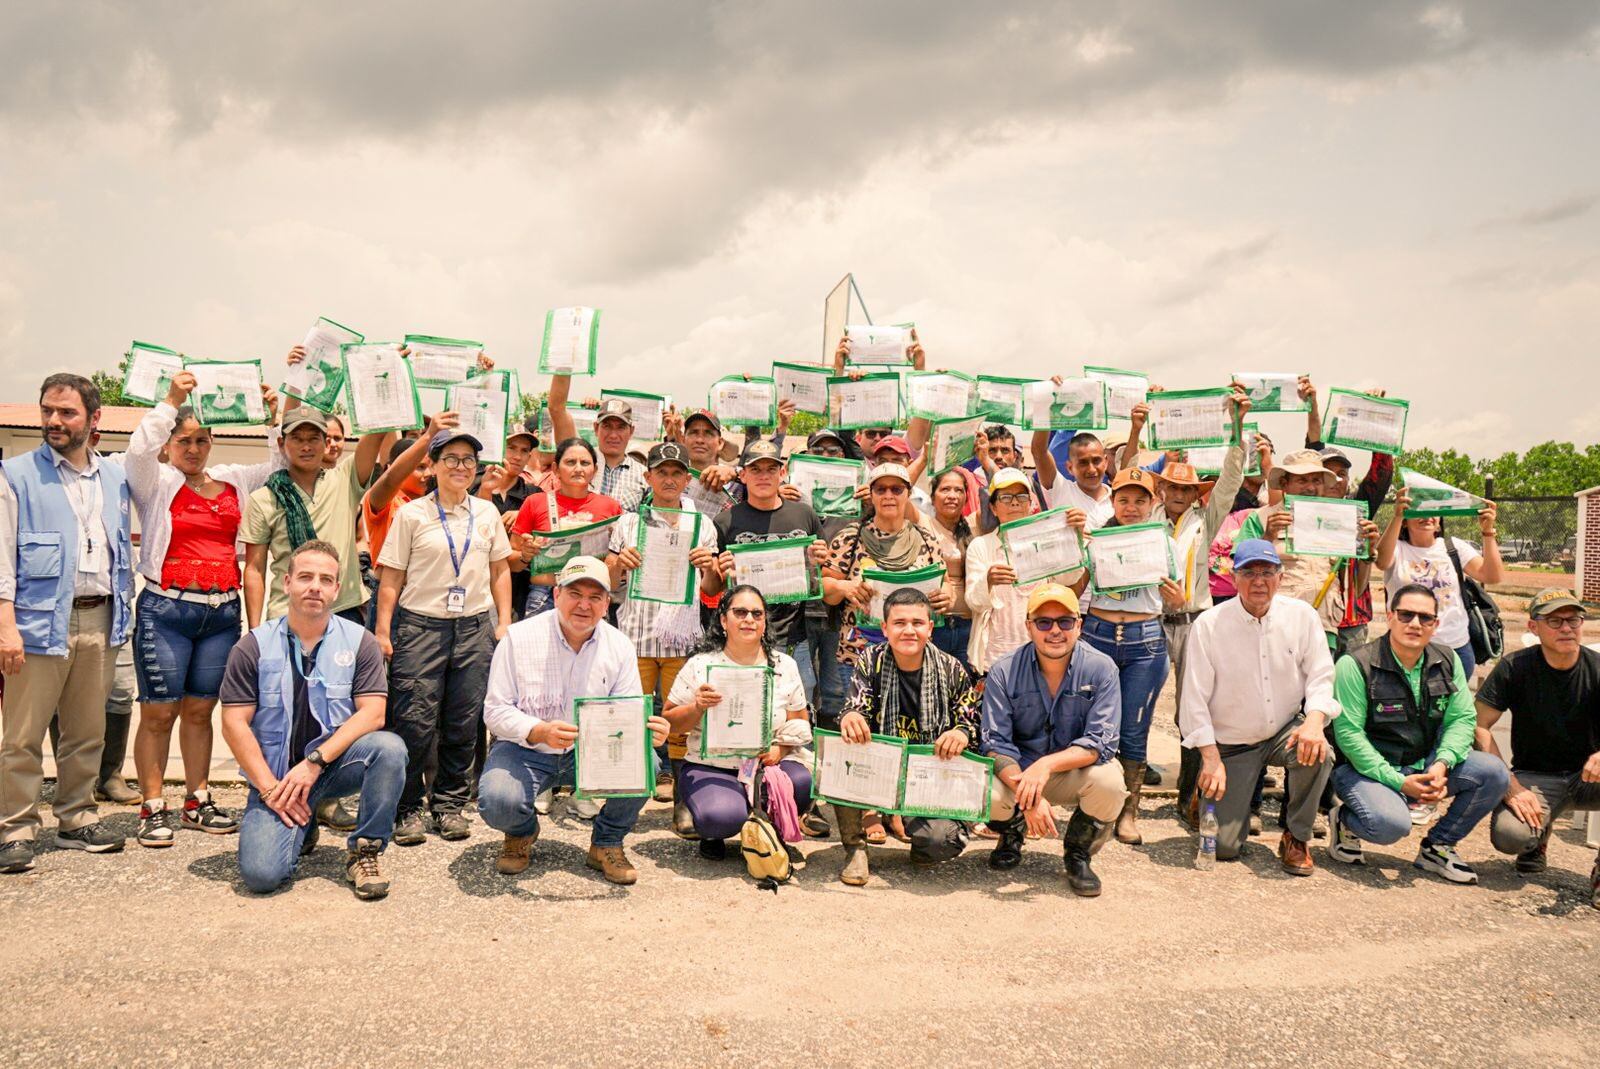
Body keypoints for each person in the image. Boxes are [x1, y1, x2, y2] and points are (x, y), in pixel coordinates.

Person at [122, 371, 284, 847]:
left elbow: (277, 464)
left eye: (202, 440)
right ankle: (153, 806)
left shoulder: (234, 479)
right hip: (166, 608)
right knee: (158, 712)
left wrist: (276, 415)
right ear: (169, 444)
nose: (193, 449)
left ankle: (197, 799)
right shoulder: (156, 482)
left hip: (220, 613)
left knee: (200, 711)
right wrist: (172, 401)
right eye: (184, 440)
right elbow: (136, 451)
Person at [0, 374, 136, 872]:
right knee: (22, 734)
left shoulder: (116, 477)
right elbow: (2, 560)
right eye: (48, 411)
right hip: (36, 626)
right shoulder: (15, 475)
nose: (54, 421)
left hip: (100, 616)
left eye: (67, 413)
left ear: (94, 419)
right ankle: (14, 828)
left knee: (86, 730)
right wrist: (5, 626)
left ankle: (76, 818)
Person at [218, 540, 403, 899]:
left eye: (325, 579)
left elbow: (373, 714)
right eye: (305, 577)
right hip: (277, 779)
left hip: (331, 767)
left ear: (336, 589)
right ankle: (304, 824)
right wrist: (271, 789)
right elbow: (234, 724)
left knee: (389, 749)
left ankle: (365, 851)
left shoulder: (360, 642)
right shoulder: (252, 646)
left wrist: (315, 763)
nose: (314, 586)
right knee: (261, 875)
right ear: (287, 583)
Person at [478, 556, 669, 885]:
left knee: (646, 765)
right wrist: (537, 730)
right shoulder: (518, 638)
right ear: (556, 596)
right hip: (525, 749)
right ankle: (521, 832)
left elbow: (626, 710)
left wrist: (648, 731)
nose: (584, 605)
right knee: (498, 801)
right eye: (574, 594)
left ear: (607, 604)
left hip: (590, 752)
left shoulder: (619, 645)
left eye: (595, 597)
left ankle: (606, 842)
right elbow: (494, 710)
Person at [375, 429, 513, 846]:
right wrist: (383, 630)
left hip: (473, 627)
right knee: (415, 720)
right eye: (450, 458)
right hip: (421, 627)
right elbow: (391, 578)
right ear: (433, 466)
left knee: (463, 720)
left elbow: (500, 570)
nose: (460, 467)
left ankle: (449, 804)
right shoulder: (412, 514)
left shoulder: (486, 514)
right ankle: (408, 806)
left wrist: (503, 620)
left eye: (469, 460)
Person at [1326, 584, 1508, 883]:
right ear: (1390, 616)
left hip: (1424, 765)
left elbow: (1462, 719)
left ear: (1435, 625)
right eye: (1406, 614)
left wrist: (1441, 765)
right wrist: (1399, 782)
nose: (1415, 624)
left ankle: (1438, 846)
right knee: (1389, 825)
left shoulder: (1448, 660)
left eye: (1425, 618)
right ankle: (1345, 821)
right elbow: (1350, 736)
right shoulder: (1355, 665)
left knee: (1493, 772)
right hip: (1364, 771)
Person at [1180, 540, 1337, 875]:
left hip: (1284, 729)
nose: (1259, 581)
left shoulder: (1302, 617)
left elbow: (1321, 676)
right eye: (1248, 572)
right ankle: (1205, 790)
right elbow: (1193, 700)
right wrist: (1210, 759)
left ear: (1280, 578)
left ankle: (1296, 836)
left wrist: (1314, 722)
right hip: (1232, 742)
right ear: (1234, 578)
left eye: (1268, 572)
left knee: (1319, 751)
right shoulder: (1209, 625)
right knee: (1223, 848)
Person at [1139, 389, 1250, 823]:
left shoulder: (1207, 517)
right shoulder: (1146, 519)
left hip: (1193, 620)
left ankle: (1189, 795)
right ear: (1162, 487)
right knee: (1141, 703)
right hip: (1150, 619)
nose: (1180, 493)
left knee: (1193, 706)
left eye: (1187, 488)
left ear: (1194, 492)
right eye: (1172, 486)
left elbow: (1231, 479)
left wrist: (1237, 429)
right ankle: (1129, 796)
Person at [980, 585, 1127, 896]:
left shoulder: (1102, 669)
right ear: (1029, 626)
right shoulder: (1003, 671)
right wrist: (1028, 793)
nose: (1055, 631)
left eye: (1065, 621)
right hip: (1018, 774)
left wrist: (1046, 765)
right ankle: (1011, 832)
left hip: (1070, 770)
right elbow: (995, 745)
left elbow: (1099, 742)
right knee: (984, 792)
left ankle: (1078, 854)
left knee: (1110, 783)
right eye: (1044, 622)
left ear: (1079, 624)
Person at [833, 588, 981, 885]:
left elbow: (971, 723)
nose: (909, 630)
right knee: (841, 752)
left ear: (930, 626)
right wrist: (850, 716)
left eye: (917, 622)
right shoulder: (870, 660)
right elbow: (856, 706)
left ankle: (920, 838)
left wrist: (960, 732)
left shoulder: (952, 669)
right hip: (881, 768)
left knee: (942, 840)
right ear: (885, 628)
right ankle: (855, 848)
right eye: (899, 623)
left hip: (928, 777)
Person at [606, 441, 719, 831]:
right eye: (662, 472)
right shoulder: (628, 522)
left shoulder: (702, 524)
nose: (669, 479)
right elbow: (609, 577)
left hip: (680, 638)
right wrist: (620, 562)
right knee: (631, 715)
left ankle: (683, 802)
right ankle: (624, 796)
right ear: (648, 476)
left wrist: (709, 567)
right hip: (635, 634)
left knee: (679, 722)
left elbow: (712, 589)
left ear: (688, 479)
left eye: (677, 473)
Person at [1069, 468, 1183, 845]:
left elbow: (1179, 597)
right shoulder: (1096, 540)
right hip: (1097, 635)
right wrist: (1077, 548)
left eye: (1140, 500)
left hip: (1144, 641)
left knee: (1134, 729)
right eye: (1123, 499)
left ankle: (1128, 811)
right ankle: (1093, 807)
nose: (1131, 507)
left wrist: (1176, 598)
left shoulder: (1164, 543)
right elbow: (1075, 589)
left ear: (1153, 503)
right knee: (1093, 725)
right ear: (1112, 501)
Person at [663, 585, 813, 859]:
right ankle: (713, 827)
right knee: (721, 817)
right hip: (712, 766)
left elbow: (801, 722)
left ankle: (768, 830)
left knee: (802, 781)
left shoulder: (784, 665)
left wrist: (781, 749)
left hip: (767, 764)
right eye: (740, 612)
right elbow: (670, 723)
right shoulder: (701, 665)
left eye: (757, 614)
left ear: (765, 621)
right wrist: (697, 707)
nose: (749, 619)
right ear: (723, 620)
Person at [1476, 589, 1599, 904]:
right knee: (1509, 836)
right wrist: (1510, 785)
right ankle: (1536, 838)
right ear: (1533, 627)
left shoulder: (1597, 667)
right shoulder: (1515, 667)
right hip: (1536, 776)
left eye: (1573, 619)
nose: (1566, 628)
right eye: (1555, 621)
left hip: (1590, 778)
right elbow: (1478, 725)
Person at [241, 392, 384, 628]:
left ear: (326, 442)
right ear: (281, 443)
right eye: (296, 438)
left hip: (343, 611)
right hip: (287, 613)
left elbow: (377, 432)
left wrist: (383, 378)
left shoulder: (345, 479)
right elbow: (255, 569)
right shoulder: (263, 499)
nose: (306, 446)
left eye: (313, 438)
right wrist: (256, 632)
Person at [704, 440, 831, 684]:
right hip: (743, 639)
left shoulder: (804, 514)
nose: (764, 476)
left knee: (799, 713)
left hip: (796, 639)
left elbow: (819, 578)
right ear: (742, 475)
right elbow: (711, 588)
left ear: (782, 473)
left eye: (771, 469)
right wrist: (717, 569)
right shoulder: (724, 521)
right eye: (755, 469)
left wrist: (818, 563)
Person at [1235, 448, 1379, 649]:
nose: (1310, 487)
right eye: (1302, 480)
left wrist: (1368, 553)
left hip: (1324, 628)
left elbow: (1355, 585)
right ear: (1284, 484)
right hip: (1274, 627)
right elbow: (1239, 568)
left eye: (1317, 480)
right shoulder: (1260, 518)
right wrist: (1267, 537)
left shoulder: (1337, 521)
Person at [821, 464, 956, 676]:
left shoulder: (926, 539)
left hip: (914, 657)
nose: (888, 495)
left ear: (908, 494)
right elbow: (826, 588)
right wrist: (845, 587)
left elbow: (946, 583)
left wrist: (946, 596)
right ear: (871, 495)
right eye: (880, 489)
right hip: (859, 655)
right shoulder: (850, 537)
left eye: (896, 489)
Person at [964, 467, 1087, 676]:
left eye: (1021, 496)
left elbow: (1070, 578)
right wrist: (989, 581)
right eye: (1005, 497)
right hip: (994, 656)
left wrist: (1074, 538)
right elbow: (973, 602)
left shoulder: (1046, 542)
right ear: (993, 507)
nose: (1014, 502)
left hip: (1040, 653)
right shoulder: (981, 546)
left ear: (1031, 504)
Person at [1376, 485, 1503, 679]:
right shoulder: (1397, 548)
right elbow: (1381, 560)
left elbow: (1492, 576)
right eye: (1419, 509)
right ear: (1405, 521)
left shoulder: (1454, 547)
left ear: (1439, 522)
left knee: (1452, 708)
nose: (1427, 516)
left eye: (1434, 511)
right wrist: (1397, 516)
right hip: (1407, 649)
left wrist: (1488, 533)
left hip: (1455, 648)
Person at [509, 436, 623, 618]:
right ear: (555, 469)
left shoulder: (611, 507)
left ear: (595, 470)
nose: (578, 468)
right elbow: (511, 562)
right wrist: (525, 555)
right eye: (570, 462)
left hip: (592, 597)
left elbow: (616, 566)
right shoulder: (535, 503)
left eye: (585, 463)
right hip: (544, 597)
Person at [547, 374, 646, 511]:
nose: (613, 434)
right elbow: (556, 409)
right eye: (607, 426)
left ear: (631, 431)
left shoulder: (643, 475)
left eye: (621, 427)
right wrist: (565, 361)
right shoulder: (580, 460)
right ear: (595, 428)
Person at [924, 467, 974, 667]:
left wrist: (985, 459)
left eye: (959, 490)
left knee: (966, 693)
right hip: (936, 627)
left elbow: (1001, 498)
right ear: (932, 497)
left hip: (968, 627)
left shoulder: (974, 525)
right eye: (945, 489)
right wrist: (922, 458)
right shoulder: (922, 523)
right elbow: (902, 488)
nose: (952, 496)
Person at [1031, 426, 1113, 531]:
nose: (1091, 469)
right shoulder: (1061, 490)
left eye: (1096, 461)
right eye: (1083, 463)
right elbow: (1039, 452)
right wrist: (1044, 414)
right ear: (1070, 467)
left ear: (1106, 462)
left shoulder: (1118, 498)